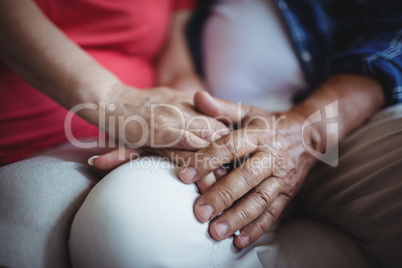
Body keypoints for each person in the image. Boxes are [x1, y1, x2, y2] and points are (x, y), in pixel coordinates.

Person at [69, 0, 402, 267]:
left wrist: (309, 130)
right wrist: (183, 124)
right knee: (122, 225)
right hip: (228, 140)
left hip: (350, 123)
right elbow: (178, 69)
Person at [0, 0, 229, 267]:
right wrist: (115, 100)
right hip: (25, 144)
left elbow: (177, 69)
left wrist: (194, 129)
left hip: (125, 142)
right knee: (21, 215)